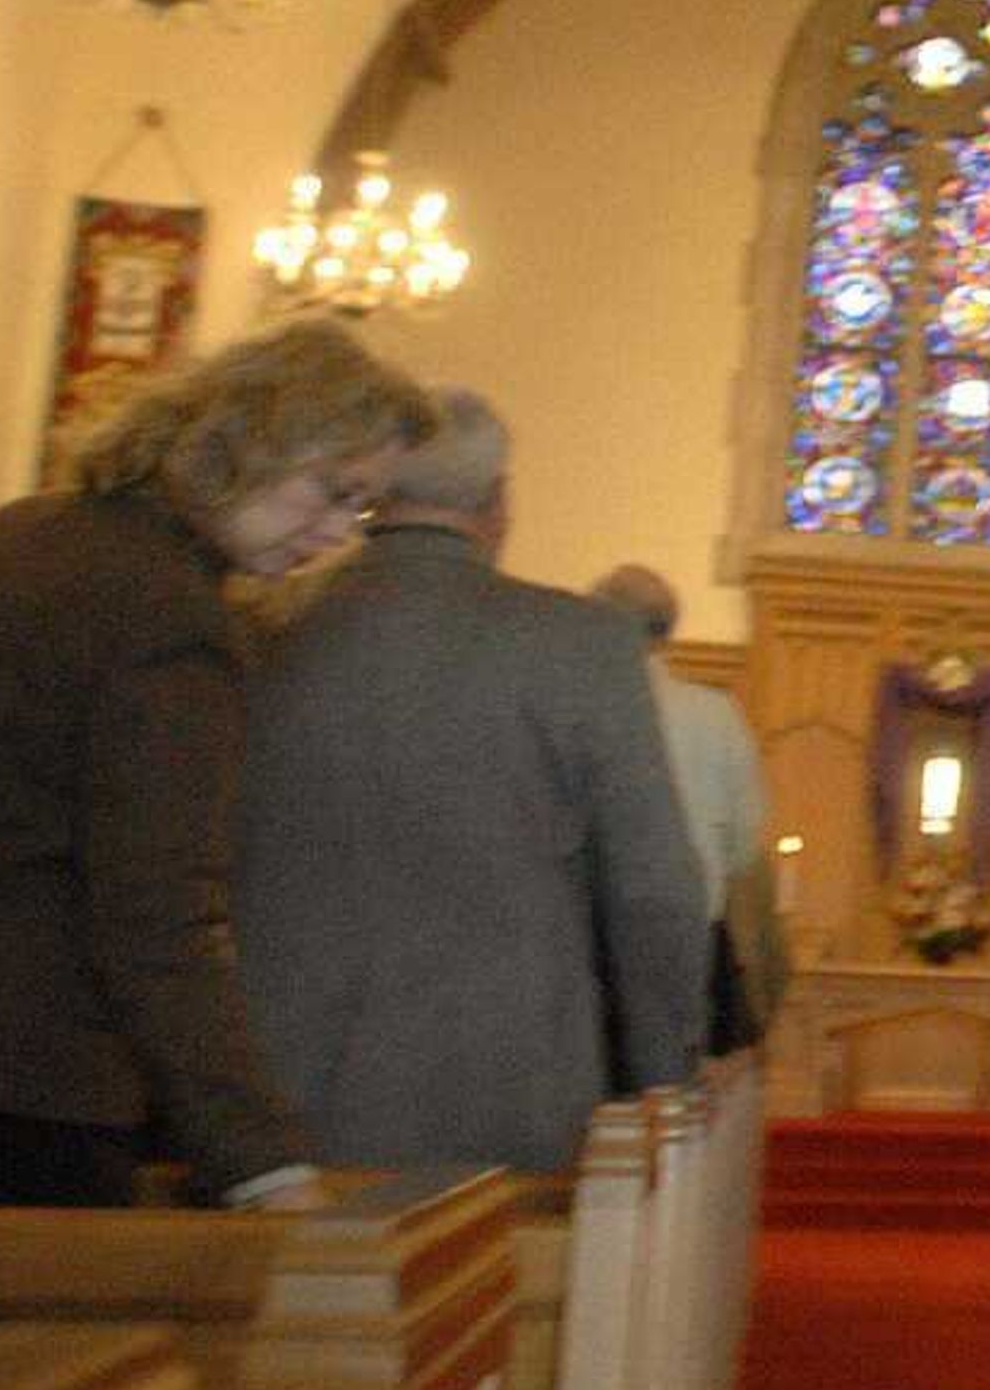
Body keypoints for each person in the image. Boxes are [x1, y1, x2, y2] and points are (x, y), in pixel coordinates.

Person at [0, 319, 434, 1208]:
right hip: (15, 1100)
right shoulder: (171, 618)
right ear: (252, 435)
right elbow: (159, 920)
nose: (335, 535)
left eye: (360, 512)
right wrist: (265, 1166)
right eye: (331, 491)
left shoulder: (18, 533)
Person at [237, 391, 707, 1175]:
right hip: (504, 1089)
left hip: (273, 1090)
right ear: (499, 500)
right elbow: (653, 889)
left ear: (372, 493)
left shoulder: (265, 628)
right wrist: (667, 1076)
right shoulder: (583, 644)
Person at [590, 562, 783, 1048]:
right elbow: (744, 843)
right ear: (667, 632)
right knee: (676, 1093)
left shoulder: (571, 705)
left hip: (588, 941)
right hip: (689, 936)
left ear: (596, 624)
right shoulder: (714, 714)